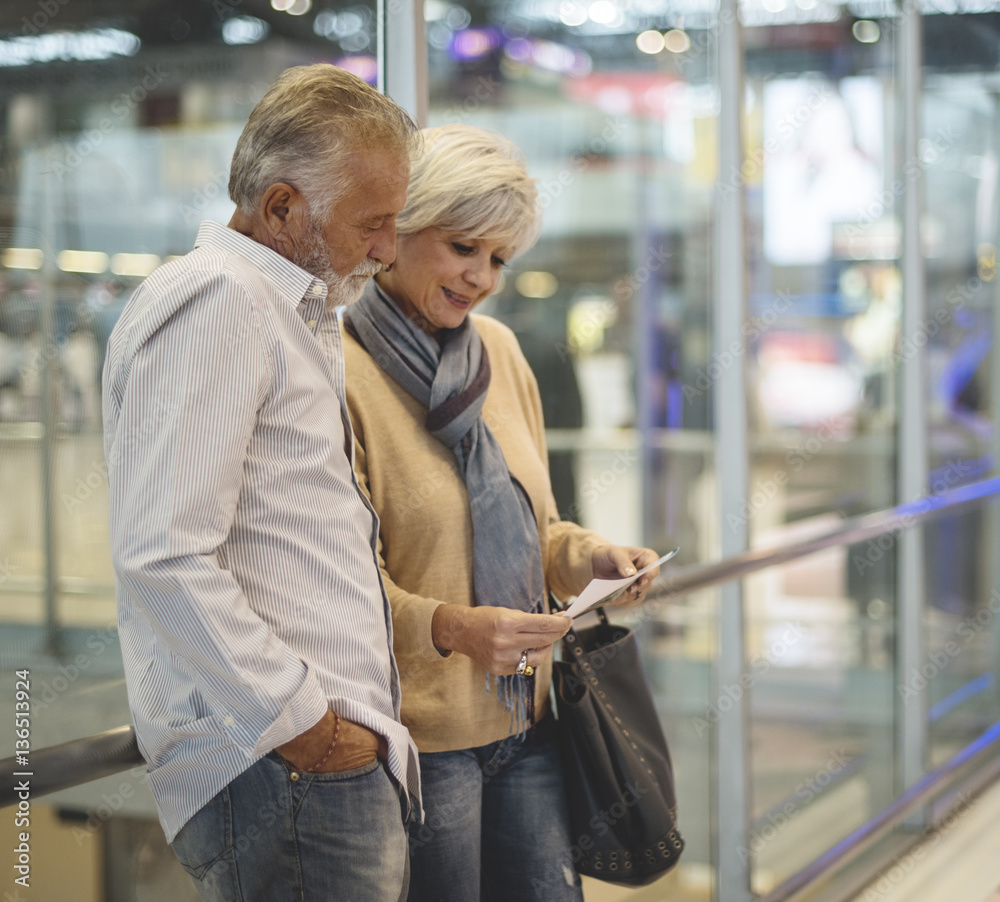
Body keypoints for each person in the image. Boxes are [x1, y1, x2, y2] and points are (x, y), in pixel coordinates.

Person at [102, 64, 419, 902]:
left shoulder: (287, 310)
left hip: (306, 763)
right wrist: (304, 726)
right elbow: (162, 554)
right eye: (374, 222)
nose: (388, 249)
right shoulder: (221, 300)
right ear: (281, 207)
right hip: (285, 769)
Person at [341, 123, 662, 901]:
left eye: (498, 259)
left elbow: (535, 524)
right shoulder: (334, 370)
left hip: (530, 719)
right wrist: (453, 626)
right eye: (462, 247)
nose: (481, 277)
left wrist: (591, 557)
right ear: (398, 230)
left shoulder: (500, 352)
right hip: (420, 741)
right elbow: (336, 587)